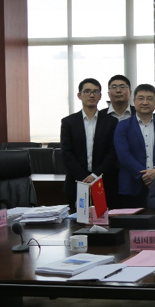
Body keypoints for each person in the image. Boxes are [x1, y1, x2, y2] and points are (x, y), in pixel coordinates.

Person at [60, 78, 119, 211]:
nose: (91, 95)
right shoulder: (68, 122)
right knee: (78, 221)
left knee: (103, 220)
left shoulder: (111, 122)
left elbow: (112, 152)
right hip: (77, 183)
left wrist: (95, 175)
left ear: (100, 96)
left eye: (95, 92)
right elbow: (66, 153)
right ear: (79, 95)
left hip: (103, 182)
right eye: (87, 91)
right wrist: (83, 177)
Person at [113, 84, 155, 207]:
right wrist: (145, 175)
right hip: (131, 184)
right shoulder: (123, 126)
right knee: (132, 218)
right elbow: (123, 155)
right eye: (141, 98)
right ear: (134, 101)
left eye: (149, 98)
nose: (145, 102)